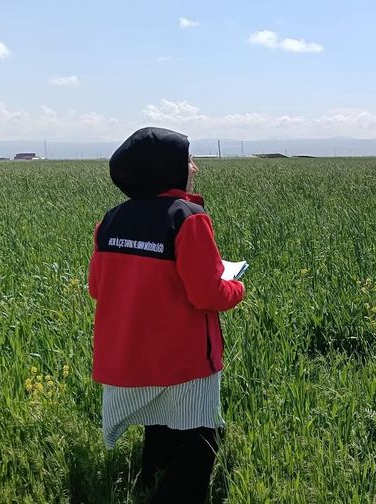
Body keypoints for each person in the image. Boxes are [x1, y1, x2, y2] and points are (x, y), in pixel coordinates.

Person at [88, 127, 245, 502]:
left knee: (158, 418)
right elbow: (208, 294)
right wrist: (236, 287)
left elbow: (97, 288)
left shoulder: (110, 220)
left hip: (130, 356)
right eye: (188, 160)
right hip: (184, 358)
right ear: (166, 169)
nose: (195, 168)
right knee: (201, 434)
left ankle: (150, 478)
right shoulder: (188, 218)